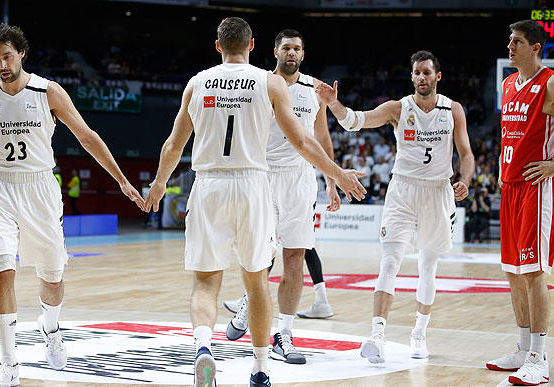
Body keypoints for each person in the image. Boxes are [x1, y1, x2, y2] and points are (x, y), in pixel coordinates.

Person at [144, 17, 365, 387]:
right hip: (252, 184)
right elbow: (303, 142)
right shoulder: (269, 82)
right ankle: (260, 368)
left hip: (210, 183)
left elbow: (174, 145)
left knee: (205, 282)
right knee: (257, 281)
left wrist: (158, 184)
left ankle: (203, 348)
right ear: (252, 46)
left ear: (217, 45)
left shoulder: (197, 83)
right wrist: (338, 173)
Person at [0, 24, 145, 387]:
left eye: (7, 56)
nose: (1, 64)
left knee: (52, 276)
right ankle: (8, 365)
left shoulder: (47, 91)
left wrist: (122, 181)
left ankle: (51, 327)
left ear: (21, 53)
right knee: (1, 270)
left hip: (38, 189)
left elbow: (87, 136)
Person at [316, 50, 474, 363]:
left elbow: (466, 154)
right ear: (412, 76)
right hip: (403, 189)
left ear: (437, 76)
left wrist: (466, 180)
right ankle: (377, 335)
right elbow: (354, 122)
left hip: (438, 192)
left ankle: (420, 332)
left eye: (427, 72)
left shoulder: (453, 110)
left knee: (428, 266)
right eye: (417, 72)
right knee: (390, 261)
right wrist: (334, 103)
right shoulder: (398, 108)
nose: (421, 77)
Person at [223, 29, 341, 365]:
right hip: (263, 177)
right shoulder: (259, 84)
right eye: (286, 47)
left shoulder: (315, 89)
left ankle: (284, 335)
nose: (291, 53)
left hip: (302, 180)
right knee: (262, 255)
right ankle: (250, 302)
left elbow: (321, 137)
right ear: (275, 51)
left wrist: (331, 181)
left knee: (294, 259)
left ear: (303, 54)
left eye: (297, 48)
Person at [486, 20, 554, 386]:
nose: (510, 46)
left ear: (535, 49)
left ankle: (538, 358)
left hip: (536, 188)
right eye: (509, 40)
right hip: (510, 186)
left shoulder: (551, 82)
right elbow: (507, 135)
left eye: (517, 41)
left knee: (532, 272)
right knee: (512, 271)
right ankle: (523, 347)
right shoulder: (508, 83)